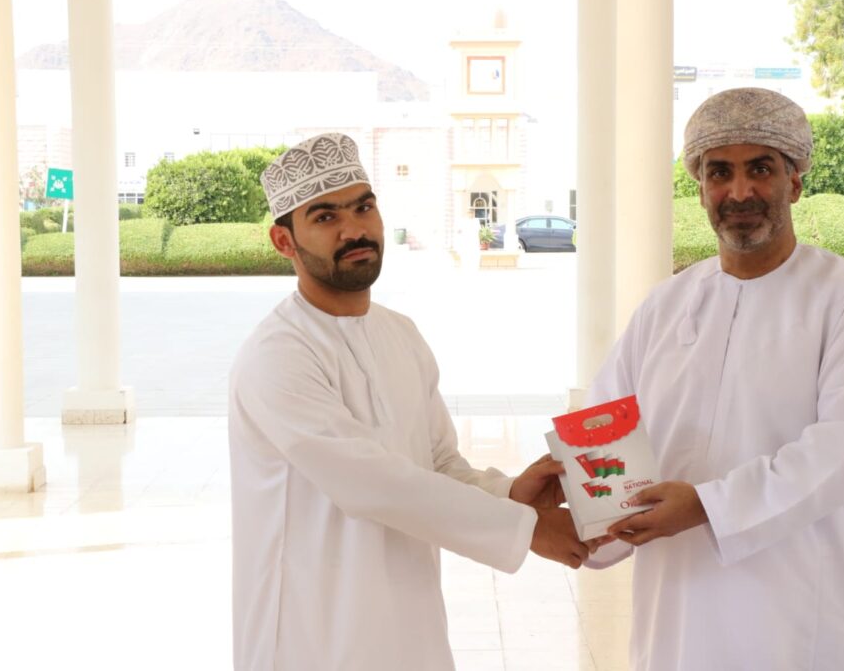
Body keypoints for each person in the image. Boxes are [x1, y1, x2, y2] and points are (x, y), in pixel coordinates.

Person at [228, 132, 589, 670]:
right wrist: (529, 529)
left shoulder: (400, 334)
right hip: (312, 632)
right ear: (285, 241)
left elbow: (438, 463)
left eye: (363, 207)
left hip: (408, 625)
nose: (355, 230)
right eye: (325, 217)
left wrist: (511, 492)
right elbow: (370, 483)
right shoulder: (278, 354)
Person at [586, 88, 844, 670]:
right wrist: (587, 521)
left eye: (760, 168)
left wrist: (707, 506)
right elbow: (605, 429)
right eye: (720, 172)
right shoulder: (664, 307)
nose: (739, 192)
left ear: (795, 182)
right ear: (700, 188)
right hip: (681, 602)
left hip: (810, 608)